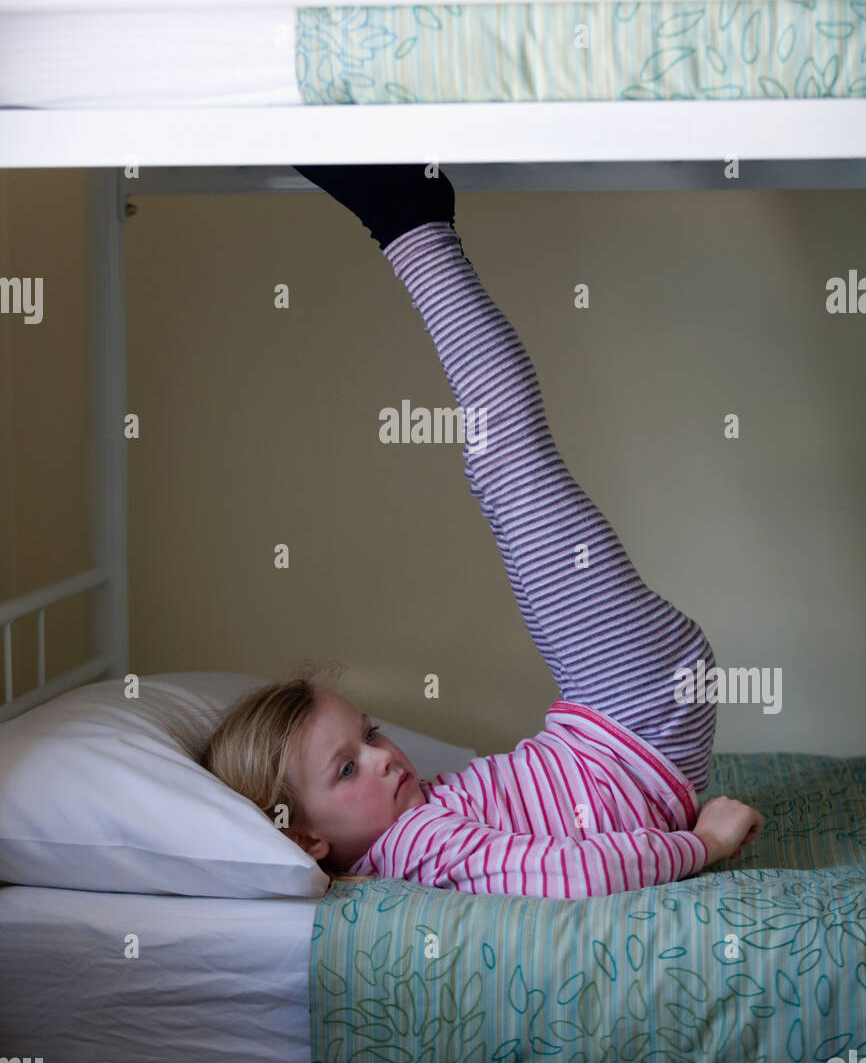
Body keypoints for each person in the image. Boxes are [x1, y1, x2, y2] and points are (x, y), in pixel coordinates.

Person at [202, 165, 764, 899]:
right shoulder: (418, 846)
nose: (381, 758)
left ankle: (413, 224)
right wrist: (700, 845)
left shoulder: (415, 820)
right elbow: (568, 873)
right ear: (308, 839)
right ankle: (413, 228)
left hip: (620, 722)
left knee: (502, 475)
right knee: (506, 459)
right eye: (347, 771)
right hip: (631, 714)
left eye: (368, 735)